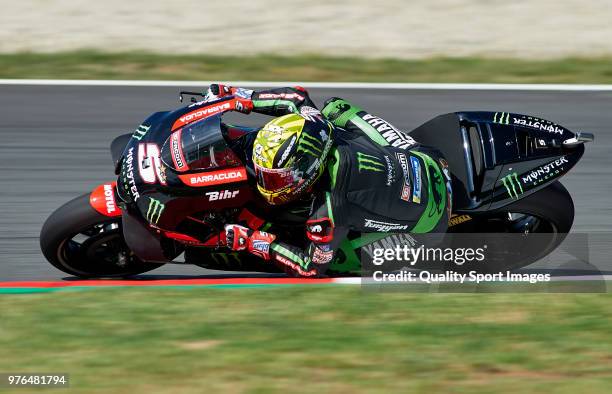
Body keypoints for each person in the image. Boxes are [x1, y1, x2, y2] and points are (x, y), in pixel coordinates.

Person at [207, 84, 451, 277]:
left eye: (274, 179)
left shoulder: (326, 211)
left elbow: (309, 268)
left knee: (334, 259)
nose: (267, 185)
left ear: (308, 168)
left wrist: (256, 242)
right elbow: (295, 97)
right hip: (425, 158)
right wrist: (236, 97)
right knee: (334, 109)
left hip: (429, 223)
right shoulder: (315, 122)